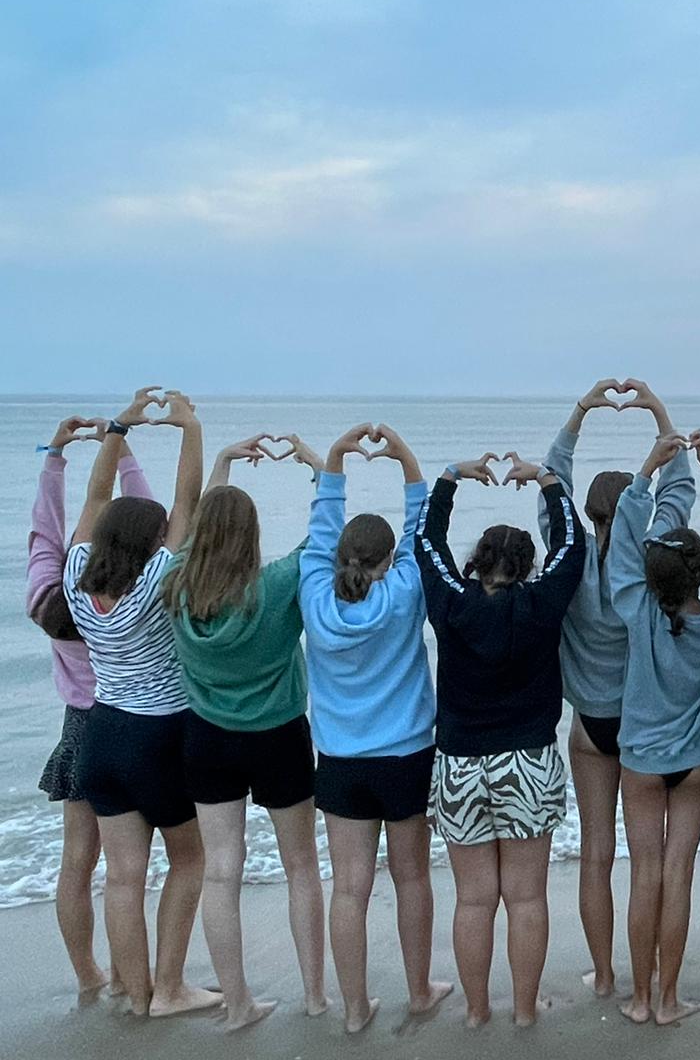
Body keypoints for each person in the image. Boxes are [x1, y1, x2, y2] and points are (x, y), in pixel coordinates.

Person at [62, 387, 221, 1018]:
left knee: (122, 876)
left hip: (99, 735)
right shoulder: (159, 578)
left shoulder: (77, 573)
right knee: (189, 861)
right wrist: (190, 427)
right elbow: (188, 499)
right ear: (155, 541)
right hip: (159, 735)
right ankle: (170, 989)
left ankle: (133, 991)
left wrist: (120, 428)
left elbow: (96, 500)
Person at [417, 450, 587, 1027]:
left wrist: (447, 481)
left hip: (461, 765)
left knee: (472, 900)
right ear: (526, 566)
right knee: (526, 897)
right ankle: (521, 1010)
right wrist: (547, 482)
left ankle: (474, 1010)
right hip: (528, 763)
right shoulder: (542, 603)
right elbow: (573, 547)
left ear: (478, 562)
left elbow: (426, 546)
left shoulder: (452, 605)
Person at [164, 431, 328, 1029]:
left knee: (220, 871)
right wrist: (318, 468)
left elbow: (187, 535)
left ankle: (236, 1005)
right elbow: (326, 541)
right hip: (279, 736)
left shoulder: (177, 585)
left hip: (208, 739)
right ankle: (314, 995)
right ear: (252, 535)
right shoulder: (277, 584)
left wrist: (227, 461)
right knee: (302, 866)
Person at [300, 422, 453, 1033]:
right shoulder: (406, 588)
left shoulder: (315, 591)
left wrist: (335, 458)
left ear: (340, 556)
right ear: (390, 559)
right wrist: (407, 461)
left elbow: (320, 530)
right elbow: (422, 531)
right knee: (412, 875)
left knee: (348, 888)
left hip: (340, 760)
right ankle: (419, 991)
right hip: (407, 755)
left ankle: (356, 1009)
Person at [539, 378, 687, 997]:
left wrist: (581, 410)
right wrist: (655, 407)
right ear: (631, 509)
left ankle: (604, 977)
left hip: (590, 725)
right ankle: (650, 974)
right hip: (643, 723)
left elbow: (552, 485)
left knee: (596, 855)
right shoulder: (651, 562)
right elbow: (678, 489)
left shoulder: (565, 557)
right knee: (647, 859)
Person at [26, 413, 152, 998]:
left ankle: (89, 976)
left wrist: (55, 457)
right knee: (131, 870)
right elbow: (150, 516)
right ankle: (133, 977)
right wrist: (122, 447)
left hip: (79, 730)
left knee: (77, 863)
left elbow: (43, 535)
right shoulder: (136, 594)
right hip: (134, 724)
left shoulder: (54, 597)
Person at [609, 429, 700, 1025]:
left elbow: (623, 549)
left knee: (645, 873)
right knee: (677, 871)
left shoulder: (635, 606)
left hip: (640, 761)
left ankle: (637, 997)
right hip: (693, 762)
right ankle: (668, 998)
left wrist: (642, 475)